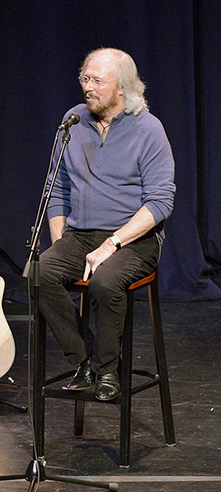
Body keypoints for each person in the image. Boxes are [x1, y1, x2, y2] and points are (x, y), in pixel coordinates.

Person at [38, 48, 175, 401]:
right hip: (81, 234)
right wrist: (58, 243)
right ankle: (85, 360)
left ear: (122, 88)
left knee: (105, 281)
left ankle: (108, 369)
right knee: (39, 272)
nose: (88, 87)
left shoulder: (148, 129)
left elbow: (160, 202)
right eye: (85, 78)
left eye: (97, 81)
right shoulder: (73, 122)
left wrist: (112, 243)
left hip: (134, 239)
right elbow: (57, 191)